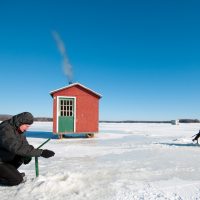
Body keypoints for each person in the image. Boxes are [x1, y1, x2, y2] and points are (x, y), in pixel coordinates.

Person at [0, 112, 55, 186]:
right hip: (1, 160)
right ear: (20, 122)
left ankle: (9, 173)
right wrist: (41, 152)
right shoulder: (5, 129)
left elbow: (24, 145)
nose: (27, 128)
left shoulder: (18, 129)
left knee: (22, 156)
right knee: (16, 180)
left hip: (5, 158)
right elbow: (16, 147)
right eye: (26, 126)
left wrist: (29, 154)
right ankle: (6, 177)